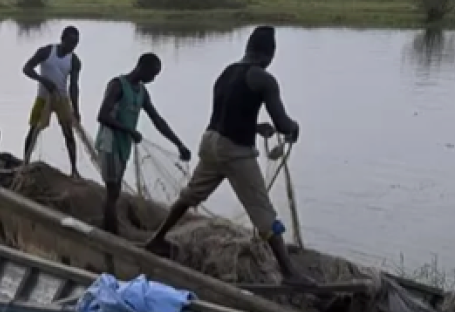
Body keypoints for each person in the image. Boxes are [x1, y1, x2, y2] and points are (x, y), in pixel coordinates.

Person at [144, 26, 312, 284]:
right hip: (235, 151)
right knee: (263, 211)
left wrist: (256, 127)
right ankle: (289, 273)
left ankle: (157, 239)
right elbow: (282, 123)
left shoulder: (227, 73)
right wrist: (294, 127)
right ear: (270, 54)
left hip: (211, 142)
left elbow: (228, 114)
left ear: (247, 48)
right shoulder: (264, 79)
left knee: (190, 195)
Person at [95, 53, 191, 235]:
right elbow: (102, 115)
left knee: (115, 190)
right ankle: (109, 233)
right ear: (142, 67)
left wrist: (179, 144)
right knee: (113, 190)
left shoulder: (141, 92)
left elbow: (157, 119)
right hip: (109, 144)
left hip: (123, 145)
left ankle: (109, 228)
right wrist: (129, 130)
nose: (153, 79)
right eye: (152, 74)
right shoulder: (117, 85)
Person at [22, 26, 82, 178]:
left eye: (75, 43)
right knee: (33, 130)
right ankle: (25, 163)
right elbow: (27, 68)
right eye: (70, 42)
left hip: (62, 99)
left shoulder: (74, 61)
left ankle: (74, 170)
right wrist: (43, 80)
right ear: (62, 39)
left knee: (68, 133)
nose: (72, 46)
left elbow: (74, 86)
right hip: (43, 97)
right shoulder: (47, 51)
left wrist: (76, 108)